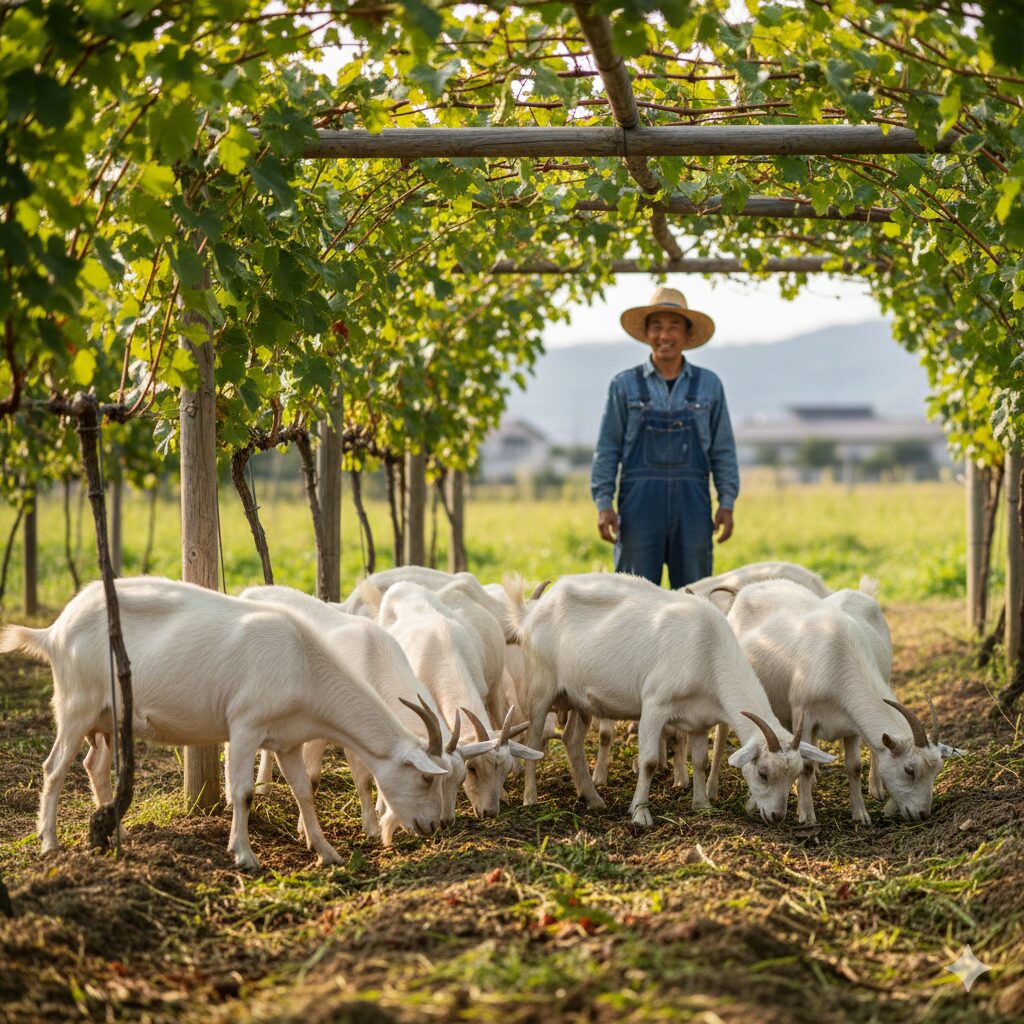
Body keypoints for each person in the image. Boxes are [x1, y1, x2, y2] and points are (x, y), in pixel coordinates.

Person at [590, 286, 739, 588]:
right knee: (634, 600)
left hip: (693, 509)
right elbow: (607, 449)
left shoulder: (709, 385)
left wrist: (727, 501)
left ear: (686, 335)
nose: (665, 335)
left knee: (696, 600)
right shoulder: (624, 385)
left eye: (673, 327)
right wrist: (604, 503)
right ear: (646, 333)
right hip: (638, 509)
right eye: (656, 326)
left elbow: (723, 450)